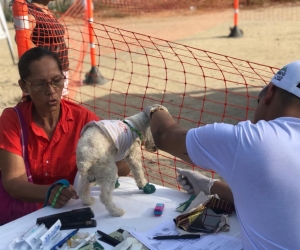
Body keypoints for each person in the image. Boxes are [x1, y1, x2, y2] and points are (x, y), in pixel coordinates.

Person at [147, 60, 300, 249]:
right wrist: (212, 187)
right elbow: (279, 204)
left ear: (269, 93)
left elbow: (165, 135)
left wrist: (154, 110)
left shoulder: (251, 140)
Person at [0, 47, 129, 225]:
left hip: (72, 212)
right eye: (40, 84)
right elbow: (14, 183)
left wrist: (125, 143)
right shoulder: (12, 120)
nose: (51, 91)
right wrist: (48, 192)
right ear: (24, 86)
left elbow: (123, 168)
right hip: (24, 216)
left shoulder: (83, 120)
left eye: (56, 81)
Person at [27, 0, 69, 97]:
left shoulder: (46, 11)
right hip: (48, 72)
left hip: (61, 67)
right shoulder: (31, 13)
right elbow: (22, 41)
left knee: (65, 103)